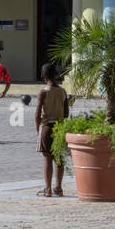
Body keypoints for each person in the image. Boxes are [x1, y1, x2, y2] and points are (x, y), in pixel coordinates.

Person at [34, 62, 71, 196]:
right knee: (59, 158)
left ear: (42, 76)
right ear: (56, 75)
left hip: (47, 127)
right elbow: (66, 112)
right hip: (60, 127)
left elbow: (37, 114)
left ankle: (48, 189)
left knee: (47, 158)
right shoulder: (63, 91)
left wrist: (38, 129)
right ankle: (58, 188)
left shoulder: (43, 92)